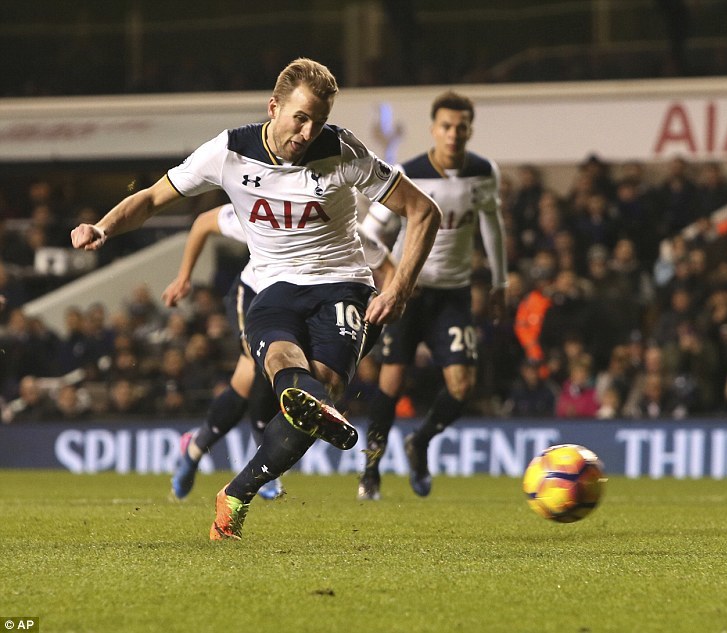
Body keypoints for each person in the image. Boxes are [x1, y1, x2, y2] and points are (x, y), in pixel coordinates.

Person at [71, 58, 441, 540]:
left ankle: (236, 493)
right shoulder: (228, 151)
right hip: (272, 287)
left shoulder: (345, 151)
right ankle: (299, 407)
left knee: (318, 388)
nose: (308, 132)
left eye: (319, 121)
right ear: (274, 107)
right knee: (296, 379)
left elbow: (422, 211)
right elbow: (152, 198)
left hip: (344, 284)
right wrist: (103, 226)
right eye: (300, 118)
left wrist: (398, 287)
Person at [165, 203, 395, 502]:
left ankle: (195, 448)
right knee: (262, 370)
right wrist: (184, 276)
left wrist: (384, 306)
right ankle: (258, 466)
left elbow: (389, 268)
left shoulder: (345, 231)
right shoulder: (266, 207)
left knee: (249, 383)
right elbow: (204, 221)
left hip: (311, 305)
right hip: (254, 295)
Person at [358, 90, 508, 500]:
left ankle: (419, 442)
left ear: (469, 130)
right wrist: (394, 275)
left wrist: (500, 282)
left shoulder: (483, 172)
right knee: (391, 382)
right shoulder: (407, 173)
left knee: (463, 385)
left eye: (461, 127)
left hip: (454, 294)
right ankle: (370, 472)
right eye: (446, 126)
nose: (454, 134)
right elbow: (369, 233)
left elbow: (492, 226)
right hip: (409, 295)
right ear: (433, 129)